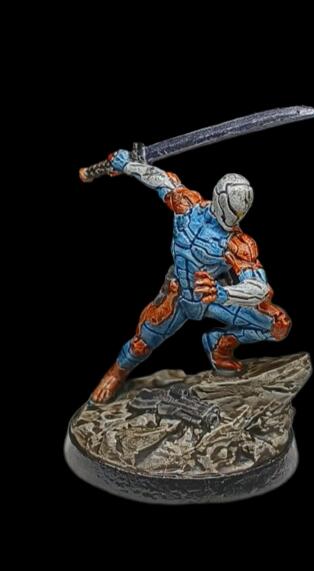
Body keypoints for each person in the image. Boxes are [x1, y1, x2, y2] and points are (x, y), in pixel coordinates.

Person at [83, 149, 291, 403]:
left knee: (277, 326)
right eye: (232, 211)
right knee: (141, 343)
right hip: (178, 293)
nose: (235, 219)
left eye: (240, 213)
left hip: (211, 295)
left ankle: (220, 344)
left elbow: (259, 287)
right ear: (219, 199)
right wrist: (127, 164)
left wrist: (224, 292)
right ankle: (116, 373)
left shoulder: (238, 243)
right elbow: (158, 179)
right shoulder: (187, 207)